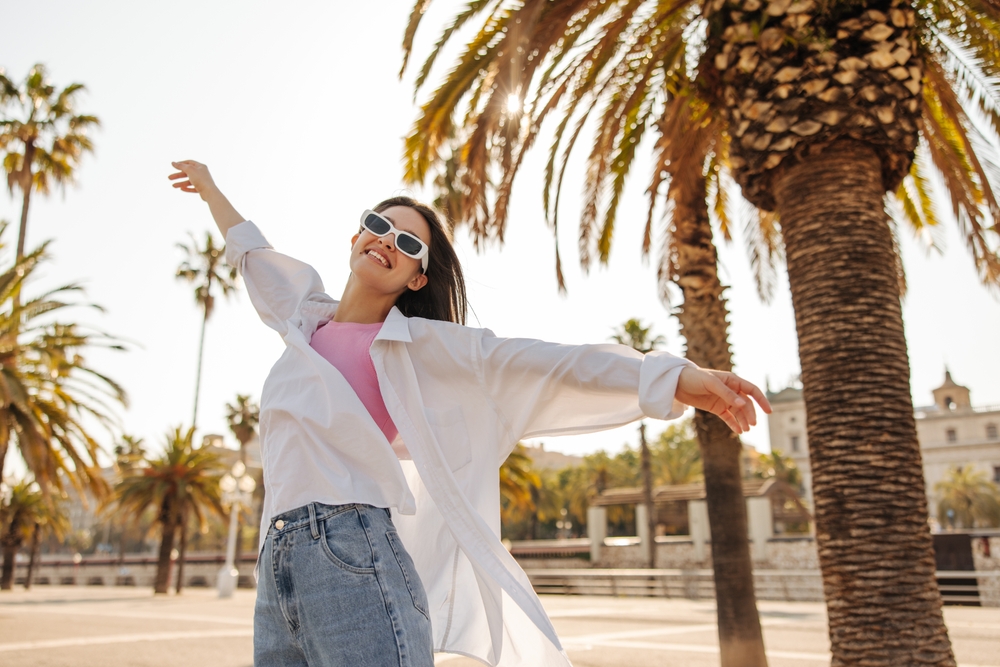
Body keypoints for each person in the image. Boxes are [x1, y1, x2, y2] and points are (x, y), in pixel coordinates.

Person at [168, 160, 771, 667]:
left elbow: (545, 364)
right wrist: (211, 187)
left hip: (350, 549)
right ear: (355, 238)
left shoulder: (424, 346)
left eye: (407, 244)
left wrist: (673, 378)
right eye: (378, 226)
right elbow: (252, 253)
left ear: (415, 277)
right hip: (275, 560)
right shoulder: (302, 316)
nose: (387, 241)